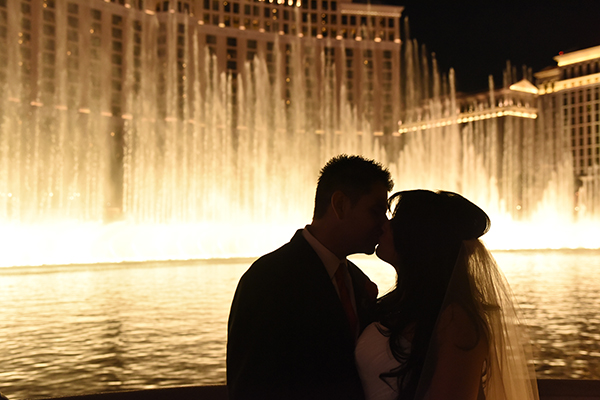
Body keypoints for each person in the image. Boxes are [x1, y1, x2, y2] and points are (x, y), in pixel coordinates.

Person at [227, 154, 394, 400]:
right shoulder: (268, 279)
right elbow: (250, 385)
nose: (384, 224)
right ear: (340, 204)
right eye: (376, 211)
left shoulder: (359, 282)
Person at [355, 190, 539, 400]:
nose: (385, 224)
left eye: (397, 221)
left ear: (420, 237)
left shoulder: (456, 322)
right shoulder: (397, 302)